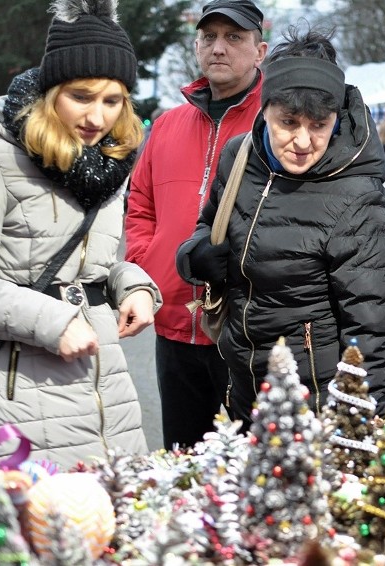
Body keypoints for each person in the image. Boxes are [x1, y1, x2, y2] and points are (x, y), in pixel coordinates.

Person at [0, 0, 161, 469]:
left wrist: (130, 284)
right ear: (51, 90)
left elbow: (89, 263)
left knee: (116, 527)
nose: (97, 117)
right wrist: (53, 322)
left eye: (112, 100)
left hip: (108, 389)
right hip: (26, 393)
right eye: (82, 96)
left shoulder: (109, 160)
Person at [175, 24, 385, 431]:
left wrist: (360, 420)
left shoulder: (357, 195)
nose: (302, 140)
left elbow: (371, 325)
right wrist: (195, 256)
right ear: (264, 110)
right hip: (245, 385)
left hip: (315, 400)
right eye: (288, 122)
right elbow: (206, 224)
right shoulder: (238, 156)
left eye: (319, 125)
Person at [124, 0, 267, 449]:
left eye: (234, 38)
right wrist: (146, 265)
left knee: (249, 468)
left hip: (245, 329)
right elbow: (140, 204)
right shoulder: (167, 124)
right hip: (173, 328)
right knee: (181, 463)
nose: (218, 48)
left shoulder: (276, 122)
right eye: (208, 37)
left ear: (260, 50)